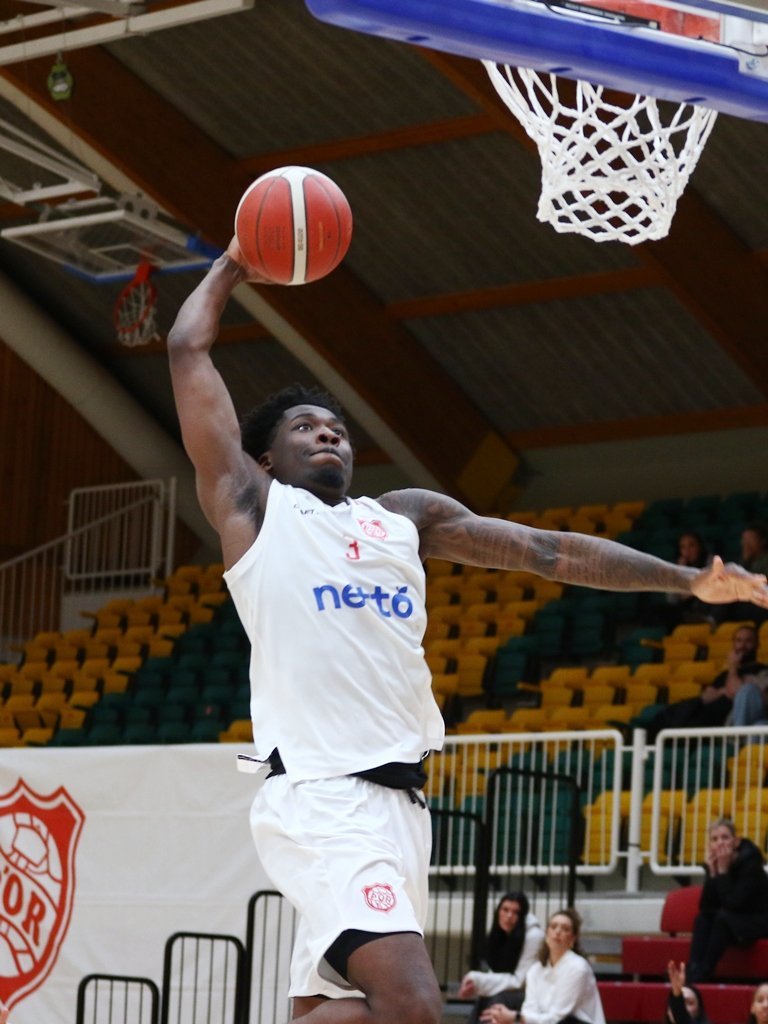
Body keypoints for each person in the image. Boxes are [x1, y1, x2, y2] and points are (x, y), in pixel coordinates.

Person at [166, 239, 768, 1024]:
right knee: (415, 1005)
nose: (328, 435)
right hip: (322, 797)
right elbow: (187, 348)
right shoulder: (256, 510)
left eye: (338, 428)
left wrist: (686, 580)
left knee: (332, 1009)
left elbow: (547, 552)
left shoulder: (404, 518)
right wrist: (236, 262)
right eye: (306, 427)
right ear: (267, 459)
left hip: (403, 810)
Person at [479, 908, 604, 1024]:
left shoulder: (578, 968)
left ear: (572, 939)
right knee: (495, 1002)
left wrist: (515, 1017)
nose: (558, 931)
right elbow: (529, 1010)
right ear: (547, 935)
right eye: (553, 927)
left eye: (565, 929)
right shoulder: (535, 970)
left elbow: (556, 1018)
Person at [646, 625, 764, 740]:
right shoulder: (723, 675)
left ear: (757, 644)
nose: (742, 646)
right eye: (739, 641)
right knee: (664, 719)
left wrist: (732, 667)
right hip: (705, 715)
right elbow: (708, 696)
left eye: (748, 641)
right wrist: (722, 691)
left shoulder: (761, 671)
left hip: (726, 721)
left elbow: (738, 692)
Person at [686, 817, 768, 983]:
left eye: (725, 837)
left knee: (723, 919)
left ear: (736, 842)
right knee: (702, 919)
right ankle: (692, 969)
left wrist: (723, 871)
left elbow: (733, 904)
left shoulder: (751, 864)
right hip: (736, 921)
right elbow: (706, 907)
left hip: (759, 922)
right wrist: (713, 873)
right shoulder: (717, 863)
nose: (720, 843)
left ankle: (704, 972)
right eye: (715, 839)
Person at [458, 892, 544, 1024]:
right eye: (505, 910)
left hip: (533, 996)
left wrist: (477, 979)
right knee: (486, 997)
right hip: (511, 993)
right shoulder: (501, 933)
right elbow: (497, 974)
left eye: (516, 912)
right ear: (498, 911)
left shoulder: (534, 936)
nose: (509, 916)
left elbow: (519, 982)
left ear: (522, 915)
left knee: (498, 999)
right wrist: (476, 984)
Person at [660, 532, 715, 628]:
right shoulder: (679, 567)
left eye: (691, 545)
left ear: (699, 546)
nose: (687, 551)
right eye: (683, 547)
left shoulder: (711, 561)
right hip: (686, 609)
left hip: (707, 604)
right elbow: (671, 599)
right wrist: (680, 570)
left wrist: (690, 592)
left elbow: (710, 585)